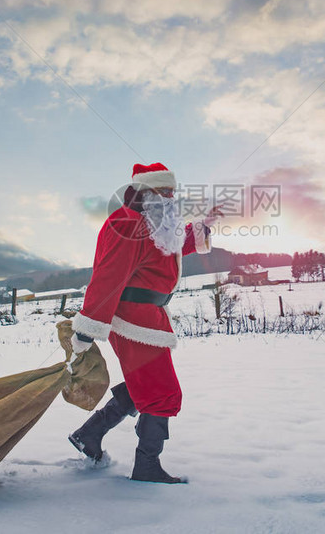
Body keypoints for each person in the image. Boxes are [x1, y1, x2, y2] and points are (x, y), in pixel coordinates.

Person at [68, 162, 222, 483]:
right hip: (133, 324)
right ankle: (147, 465)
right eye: (163, 192)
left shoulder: (152, 225)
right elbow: (107, 276)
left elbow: (175, 244)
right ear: (145, 192)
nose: (170, 198)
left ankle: (90, 434)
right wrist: (88, 327)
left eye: (171, 192)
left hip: (150, 321)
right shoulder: (126, 223)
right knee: (163, 392)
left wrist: (204, 226)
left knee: (146, 387)